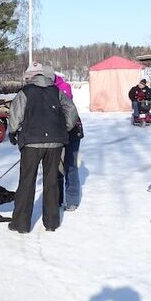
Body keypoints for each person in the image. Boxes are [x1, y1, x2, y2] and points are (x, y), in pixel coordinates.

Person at [7, 62, 78, 233]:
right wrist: (64, 128)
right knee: (52, 181)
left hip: (31, 142)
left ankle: (21, 224)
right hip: (55, 143)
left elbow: (15, 115)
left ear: (34, 78)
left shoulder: (26, 91)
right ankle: (52, 223)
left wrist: (12, 132)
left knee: (26, 182)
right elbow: (72, 111)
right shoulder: (57, 91)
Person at [54, 74, 83, 211]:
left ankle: (72, 199)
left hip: (72, 132)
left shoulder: (64, 87)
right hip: (56, 132)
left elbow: (68, 110)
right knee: (56, 166)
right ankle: (57, 198)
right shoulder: (45, 87)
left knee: (70, 166)